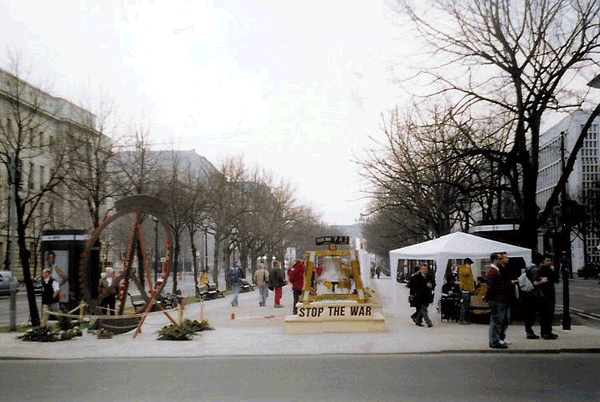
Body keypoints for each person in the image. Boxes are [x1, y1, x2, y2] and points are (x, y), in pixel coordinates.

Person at [485, 251, 514, 349]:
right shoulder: (493, 271)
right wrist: (488, 297)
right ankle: (494, 341)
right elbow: (491, 287)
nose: (501, 260)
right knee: (496, 320)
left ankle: (497, 339)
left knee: (500, 320)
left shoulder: (496, 270)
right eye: (499, 258)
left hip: (499, 298)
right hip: (497, 299)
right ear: (495, 260)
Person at [534, 256, 559, 340]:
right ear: (543, 261)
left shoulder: (550, 269)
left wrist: (553, 270)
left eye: (550, 260)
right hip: (543, 294)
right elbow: (537, 280)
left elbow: (556, 279)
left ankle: (549, 331)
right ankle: (544, 332)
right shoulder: (540, 269)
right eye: (547, 260)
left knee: (550, 314)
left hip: (550, 293)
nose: (549, 262)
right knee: (544, 314)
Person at [457, 258, 476, 325]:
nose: (470, 265)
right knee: (464, 306)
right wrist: (467, 266)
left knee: (466, 306)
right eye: (469, 264)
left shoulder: (464, 268)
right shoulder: (464, 269)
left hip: (468, 289)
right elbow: (466, 273)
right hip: (465, 289)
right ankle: (462, 319)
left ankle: (465, 319)